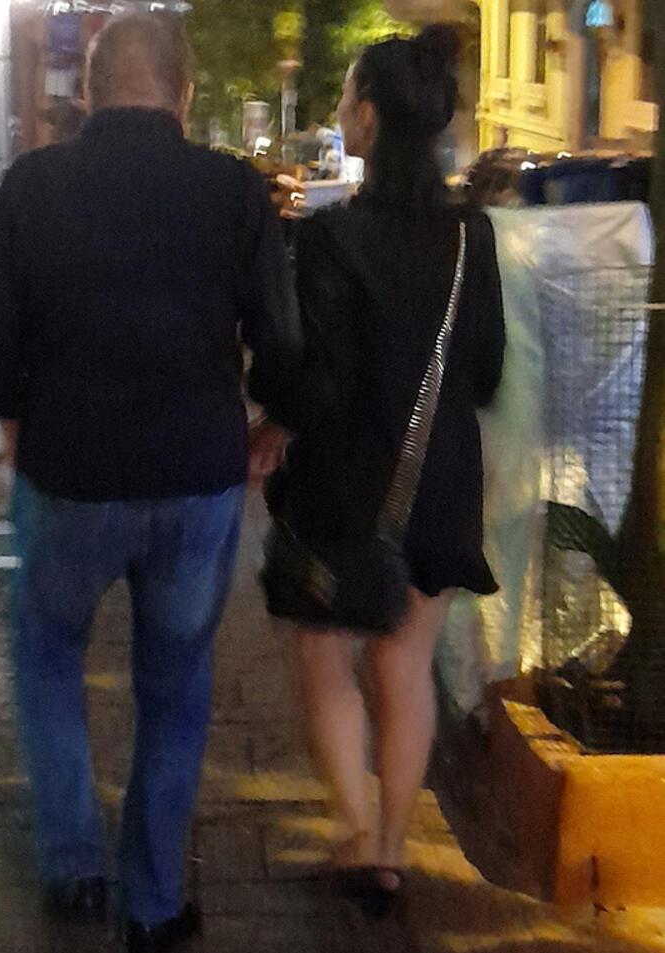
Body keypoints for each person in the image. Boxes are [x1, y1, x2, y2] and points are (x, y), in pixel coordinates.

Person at [0, 13, 300, 953]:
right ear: (184, 93)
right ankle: (151, 903)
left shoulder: (33, 185)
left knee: (45, 651)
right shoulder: (232, 190)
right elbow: (282, 341)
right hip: (196, 475)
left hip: (69, 472)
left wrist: (10, 418)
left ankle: (73, 867)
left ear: (90, 89)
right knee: (176, 683)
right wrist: (271, 427)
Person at [262, 25, 505, 914]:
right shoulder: (474, 237)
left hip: (344, 486)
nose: (338, 110)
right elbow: (486, 371)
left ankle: (355, 827)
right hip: (437, 480)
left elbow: (321, 382)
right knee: (406, 666)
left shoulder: (332, 238)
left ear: (366, 117)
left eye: (344, 97)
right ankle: (393, 849)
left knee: (324, 653)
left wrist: (271, 413)